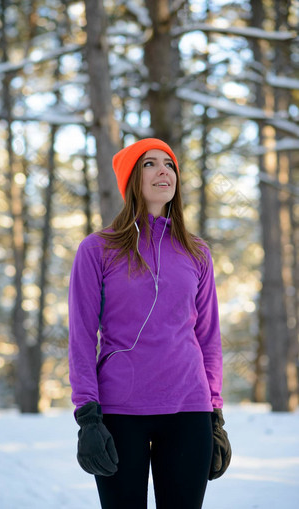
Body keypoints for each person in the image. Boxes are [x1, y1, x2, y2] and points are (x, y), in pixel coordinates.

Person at [68, 138, 231, 509]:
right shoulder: (98, 249)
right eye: (150, 164)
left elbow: (208, 337)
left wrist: (215, 412)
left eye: (170, 164)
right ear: (130, 180)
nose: (164, 171)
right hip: (121, 412)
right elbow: (81, 336)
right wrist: (88, 416)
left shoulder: (196, 251)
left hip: (189, 409)